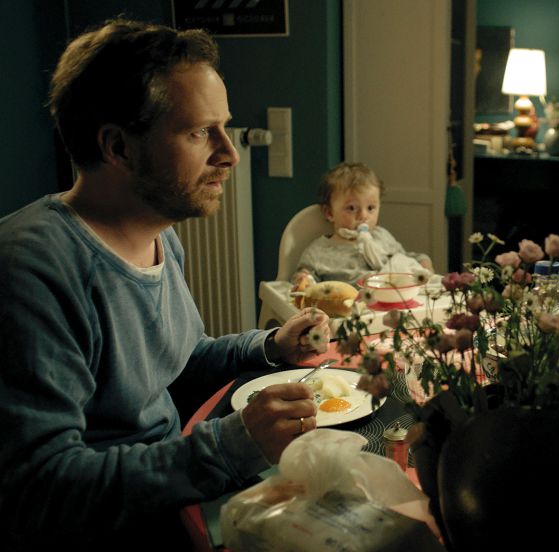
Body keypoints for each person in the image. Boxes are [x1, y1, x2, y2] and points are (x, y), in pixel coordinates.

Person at [0, 19, 333, 549]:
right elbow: (41, 489)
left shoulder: (161, 236)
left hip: (176, 490)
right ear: (119, 147)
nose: (230, 153)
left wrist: (268, 346)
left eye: (225, 127)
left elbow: (175, 364)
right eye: (201, 132)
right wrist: (227, 448)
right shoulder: (32, 269)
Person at [293, 162, 434, 286]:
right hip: (352, 310)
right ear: (329, 213)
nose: (363, 216)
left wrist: (423, 263)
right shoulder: (319, 251)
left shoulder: (382, 236)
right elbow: (305, 277)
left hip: (393, 301)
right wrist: (303, 278)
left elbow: (404, 259)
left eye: (371, 208)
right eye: (352, 208)